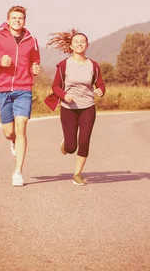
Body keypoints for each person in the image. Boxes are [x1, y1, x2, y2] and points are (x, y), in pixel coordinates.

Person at [0, 5, 41, 187]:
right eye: (14, 18)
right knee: (9, 132)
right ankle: (13, 141)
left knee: (21, 126)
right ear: (8, 20)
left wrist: (34, 69)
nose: (17, 20)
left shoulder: (31, 40)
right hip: (4, 89)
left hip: (24, 89)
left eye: (20, 18)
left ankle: (18, 172)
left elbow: (35, 61)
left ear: (24, 21)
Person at [44, 29, 106, 186]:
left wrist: (101, 90)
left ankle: (77, 174)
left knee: (84, 140)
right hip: (68, 108)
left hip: (88, 107)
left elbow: (100, 84)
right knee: (71, 147)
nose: (80, 44)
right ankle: (66, 143)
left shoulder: (93, 65)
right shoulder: (64, 65)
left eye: (83, 42)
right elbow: (55, 86)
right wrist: (64, 96)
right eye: (76, 42)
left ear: (87, 45)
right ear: (71, 46)